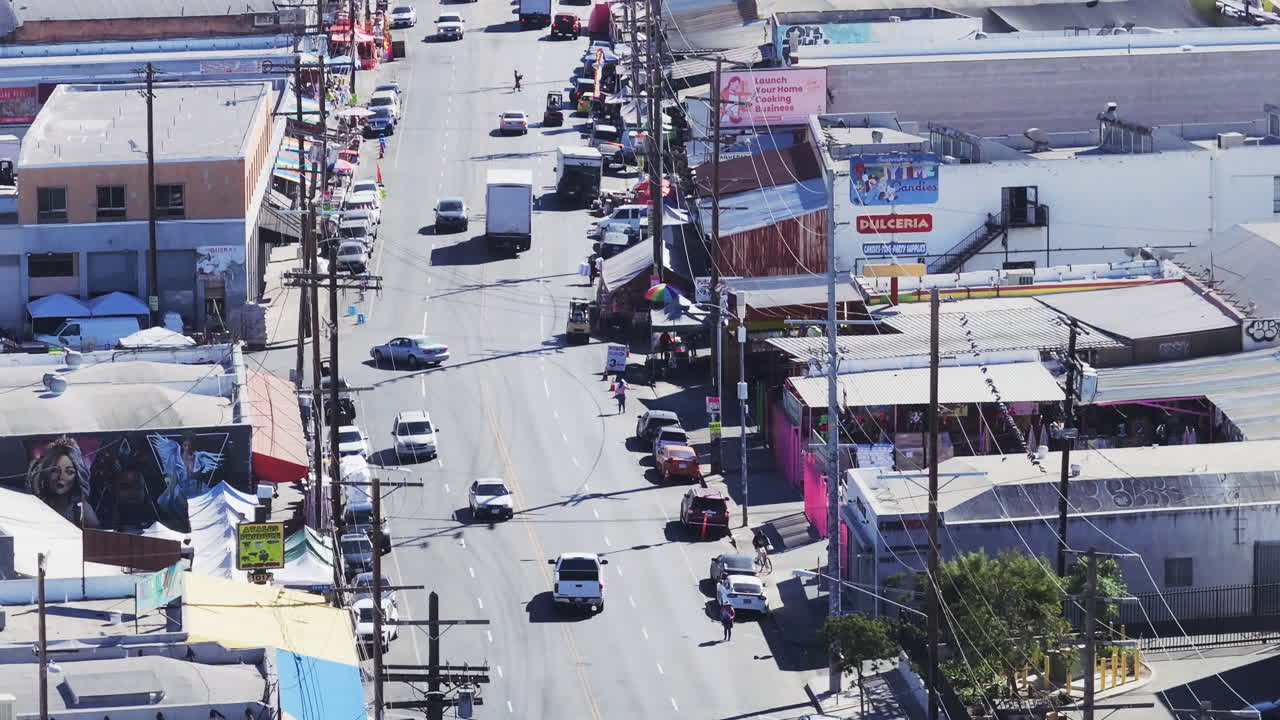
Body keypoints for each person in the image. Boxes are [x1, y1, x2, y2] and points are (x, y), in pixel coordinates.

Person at [27, 436, 100, 528]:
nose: (61, 477)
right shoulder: (37, 506)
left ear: (77, 476)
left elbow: (94, 536)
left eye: (69, 472)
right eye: (55, 471)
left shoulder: (81, 509)